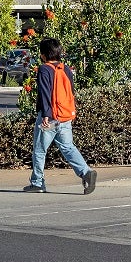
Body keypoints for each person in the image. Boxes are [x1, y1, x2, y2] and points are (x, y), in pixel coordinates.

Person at [24, 37, 98, 194]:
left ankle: (37, 182)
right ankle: (86, 172)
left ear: (43, 55)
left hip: (49, 117)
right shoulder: (66, 69)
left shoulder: (44, 69)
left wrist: (45, 114)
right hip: (64, 116)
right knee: (68, 147)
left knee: (39, 149)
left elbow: (45, 93)